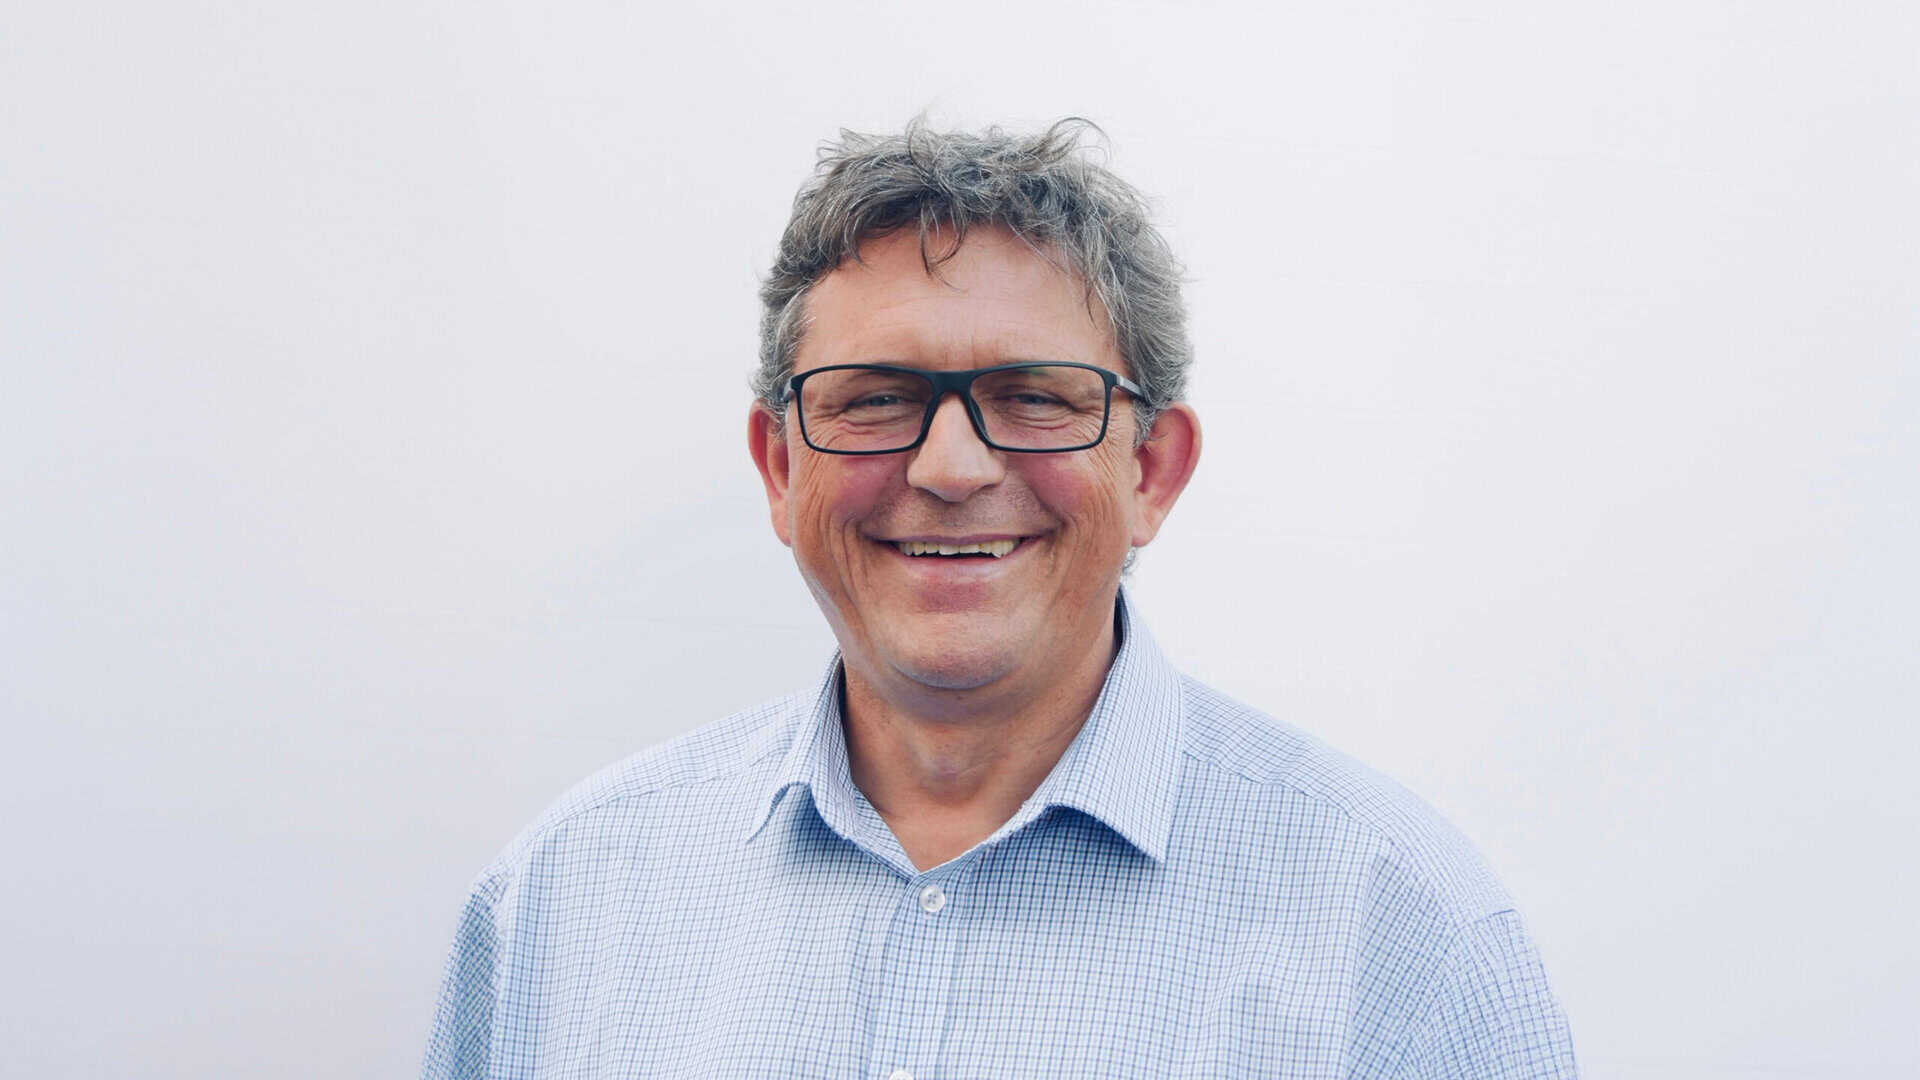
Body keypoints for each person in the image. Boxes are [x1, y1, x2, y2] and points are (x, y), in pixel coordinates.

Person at [421, 119, 1578, 1078]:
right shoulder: (562, 906)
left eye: (1034, 396)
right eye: (875, 398)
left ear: (1152, 471)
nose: (951, 467)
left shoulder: (1400, 935)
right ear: (780, 468)